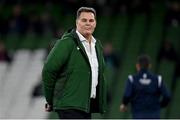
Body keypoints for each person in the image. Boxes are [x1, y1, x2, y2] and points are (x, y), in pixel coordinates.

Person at [42, 7, 107, 119]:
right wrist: (50, 99)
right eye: (84, 20)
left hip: (86, 106)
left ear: (95, 23)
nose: (88, 23)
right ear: (77, 22)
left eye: (91, 21)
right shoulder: (66, 43)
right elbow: (48, 70)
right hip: (69, 106)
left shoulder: (97, 46)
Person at [119, 55, 171, 119]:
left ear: (137, 65)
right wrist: (160, 105)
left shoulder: (132, 79)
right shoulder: (158, 79)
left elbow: (127, 95)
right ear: (149, 66)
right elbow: (167, 96)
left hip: (138, 115)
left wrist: (124, 104)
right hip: (154, 115)